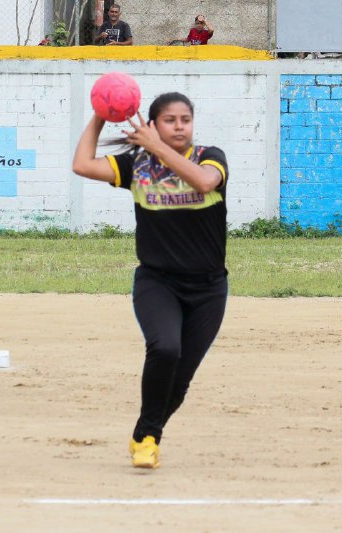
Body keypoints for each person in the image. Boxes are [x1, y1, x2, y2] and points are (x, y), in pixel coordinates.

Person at [72, 92, 229, 469]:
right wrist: (100, 116)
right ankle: (147, 440)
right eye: (170, 120)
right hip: (158, 282)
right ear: (154, 125)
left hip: (208, 288)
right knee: (164, 349)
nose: (179, 126)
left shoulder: (210, 156)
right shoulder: (137, 165)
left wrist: (158, 149)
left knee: (181, 378)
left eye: (185, 119)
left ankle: (146, 431)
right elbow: (82, 165)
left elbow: (205, 184)